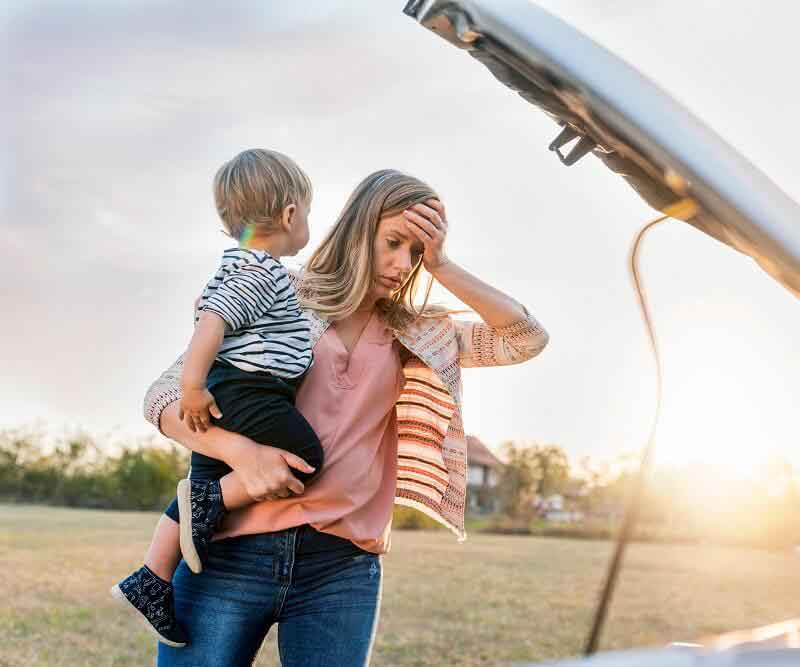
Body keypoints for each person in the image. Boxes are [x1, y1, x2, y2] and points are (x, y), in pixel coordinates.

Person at [136, 168, 549, 666]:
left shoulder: (418, 333)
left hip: (340, 570)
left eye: (416, 254)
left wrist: (444, 266)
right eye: (393, 242)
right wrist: (241, 454)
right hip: (227, 552)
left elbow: (525, 338)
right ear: (360, 228)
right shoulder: (278, 290)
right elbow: (162, 399)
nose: (403, 264)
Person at [111, 148, 323, 647]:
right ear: (291, 215)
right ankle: (211, 503)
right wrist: (192, 387)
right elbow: (213, 322)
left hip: (235, 386)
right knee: (306, 458)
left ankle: (152, 577)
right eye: (308, 213)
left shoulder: (236, 263)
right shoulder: (262, 272)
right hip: (250, 389)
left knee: (200, 477)